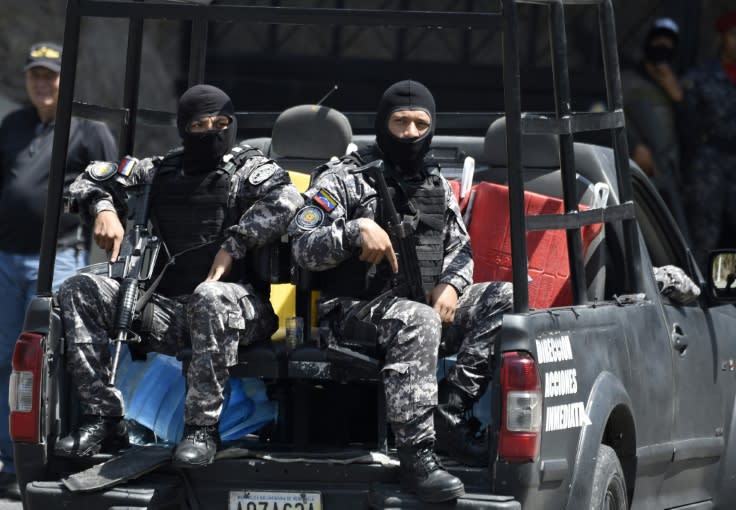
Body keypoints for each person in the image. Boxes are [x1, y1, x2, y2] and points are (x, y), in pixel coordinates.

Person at [289, 79, 517, 503]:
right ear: (381, 124)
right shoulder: (346, 178)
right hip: (353, 314)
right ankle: (418, 460)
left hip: (422, 309)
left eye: (420, 123)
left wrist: (451, 285)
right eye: (400, 122)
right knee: (419, 319)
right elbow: (301, 245)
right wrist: (355, 232)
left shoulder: (434, 182)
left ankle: (450, 412)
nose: (411, 133)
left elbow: (461, 248)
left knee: (504, 297)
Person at [53, 84, 303, 468]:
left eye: (221, 123)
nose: (213, 132)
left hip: (240, 311)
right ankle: (102, 414)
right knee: (78, 288)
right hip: (167, 310)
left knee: (209, 295)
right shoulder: (158, 172)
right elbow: (87, 180)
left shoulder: (249, 170)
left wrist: (234, 243)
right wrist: (104, 207)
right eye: (200, 124)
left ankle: (201, 429)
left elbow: (287, 200)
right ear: (184, 128)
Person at [0, 41, 117, 497]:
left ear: (66, 81)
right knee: (10, 362)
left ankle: (64, 452)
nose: (43, 83)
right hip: (7, 261)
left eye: (51, 75)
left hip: (61, 261)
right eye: (36, 75)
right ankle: (12, 461)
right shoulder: (13, 125)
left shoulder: (89, 130)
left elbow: (114, 188)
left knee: (65, 360)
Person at [680, 9, 736, 270]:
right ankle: (698, 299)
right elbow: (686, 124)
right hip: (709, 165)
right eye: (733, 35)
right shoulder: (699, 77)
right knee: (704, 238)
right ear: (722, 37)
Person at [622, 18, 690, 240]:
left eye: (669, 43)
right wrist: (634, 146)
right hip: (639, 175)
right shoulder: (627, 81)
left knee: (675, 239)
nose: (663, 47)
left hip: (672, 177)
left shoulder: (683, 84)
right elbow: (605, 114)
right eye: (659, 40)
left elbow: (697, 130)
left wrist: (677, 96)